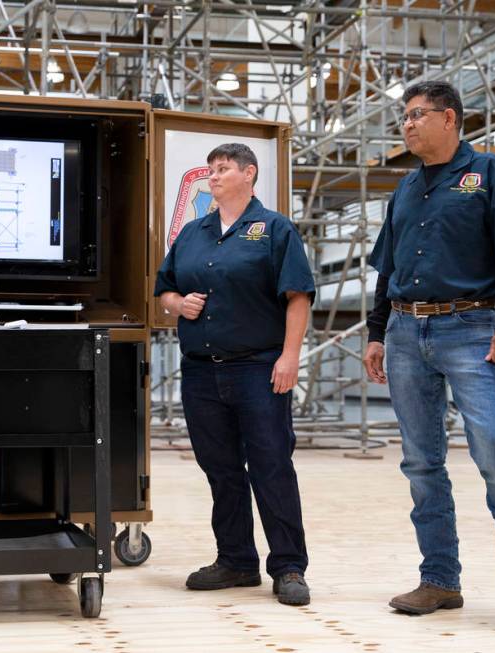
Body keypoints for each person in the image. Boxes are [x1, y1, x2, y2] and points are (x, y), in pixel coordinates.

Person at [363, 81, 495, 632]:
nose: (407, 125)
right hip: (403, 331)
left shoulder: (492, 175)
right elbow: (386, 271)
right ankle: (440, 580)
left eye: (417, 115)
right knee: (421, 463)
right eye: (404, 117)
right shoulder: (405, 190)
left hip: (470, 327)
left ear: (449, 119)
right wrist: (376, 332)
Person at [155, 143, 315, 606]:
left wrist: (289, 357)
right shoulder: (192, 233)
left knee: (271, 467)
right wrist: (177, 305)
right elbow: (164, 291)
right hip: (202, 373)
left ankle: (288, 567)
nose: (214, 176)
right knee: (221, 470)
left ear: (249, 174)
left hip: (258, 370)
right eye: (211, 169)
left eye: (224, 169)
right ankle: (236, 561)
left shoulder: (274, 229)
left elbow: (298, 297)